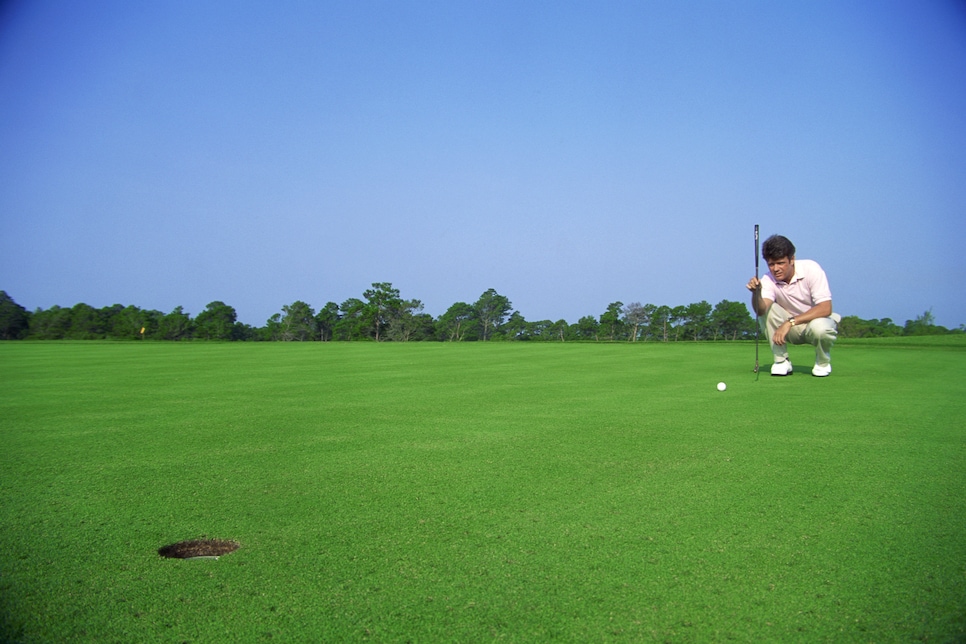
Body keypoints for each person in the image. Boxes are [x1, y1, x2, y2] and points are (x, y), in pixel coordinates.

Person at [746, 234, 840, 377]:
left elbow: (825, 307)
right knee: (767, 311)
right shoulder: (768, 279)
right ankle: (781, 361)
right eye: (771, 264)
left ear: (792, 259)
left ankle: (822, 362)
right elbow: (761, 310)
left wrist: (790, 322)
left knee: (821, 328)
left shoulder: (811, 269)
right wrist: (756, 294)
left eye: (781, 263)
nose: (775, 269)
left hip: (813, 324)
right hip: (790, 329)